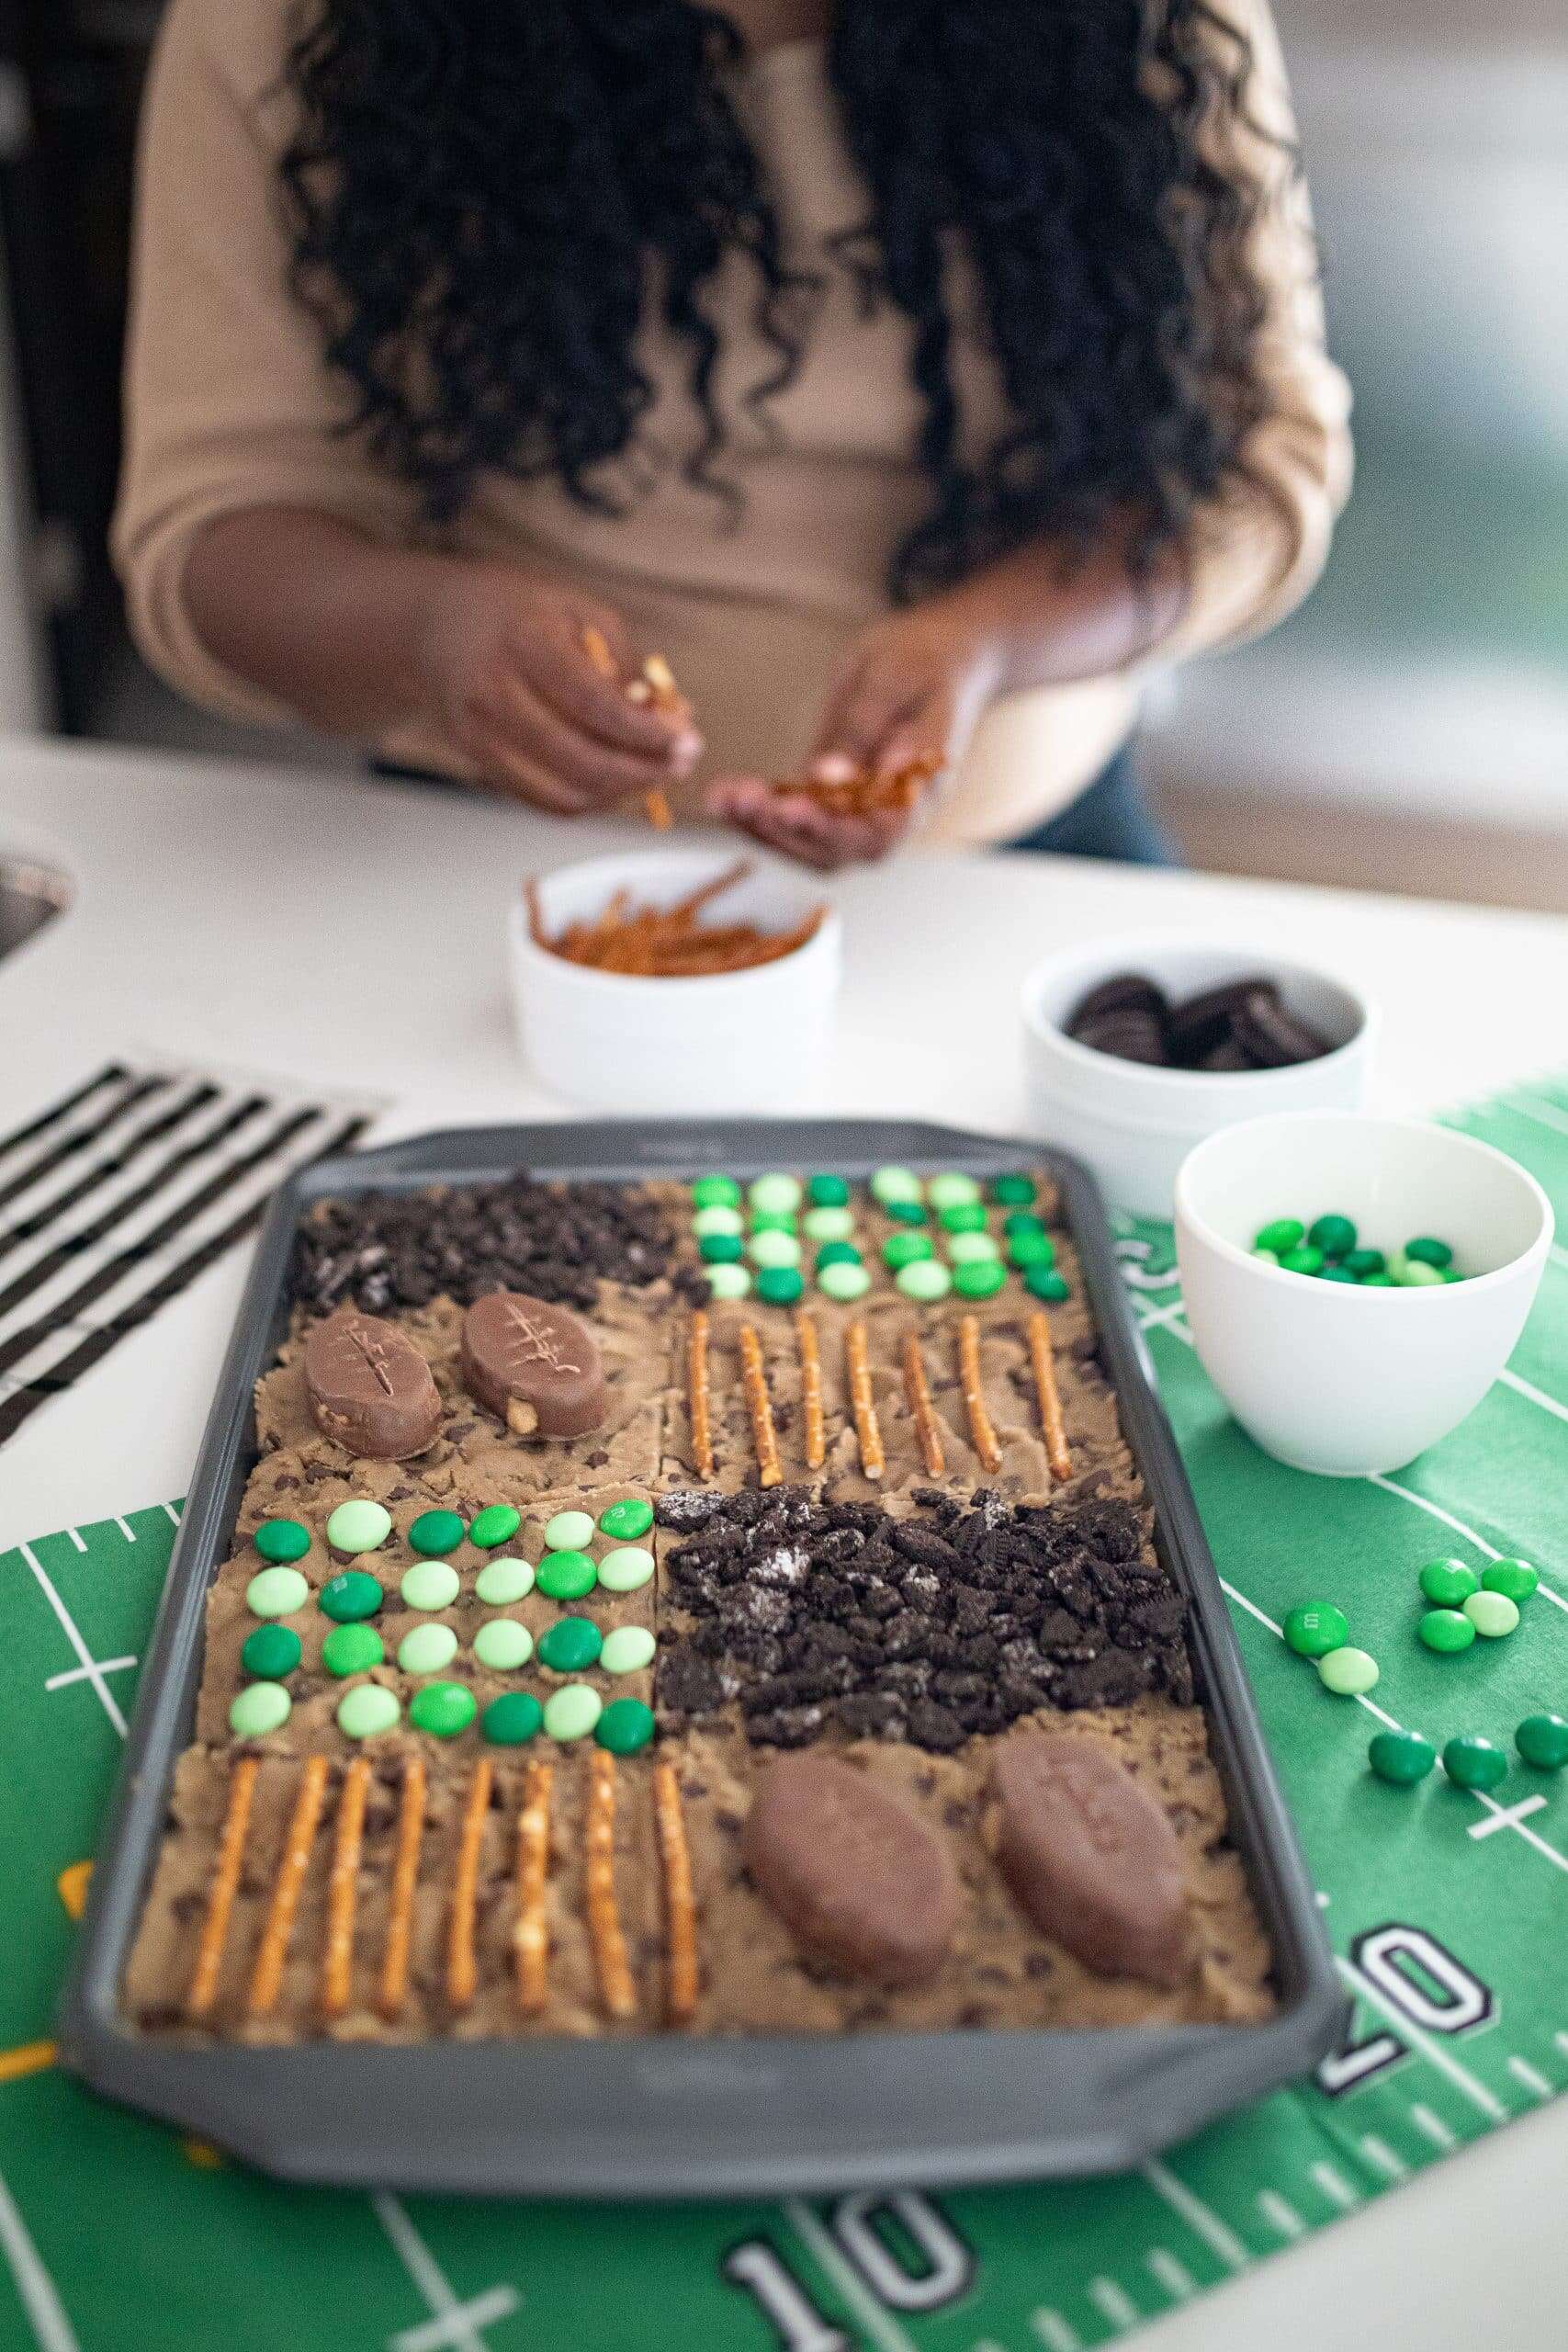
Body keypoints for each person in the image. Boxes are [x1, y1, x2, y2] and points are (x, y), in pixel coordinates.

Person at [114, 0, 1350, 871]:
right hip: (488, 875)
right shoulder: (285, 26)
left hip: (1024, 863)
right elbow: (211, 536)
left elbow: (1262, 463)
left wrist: (982, 647)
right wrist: (434, 634)